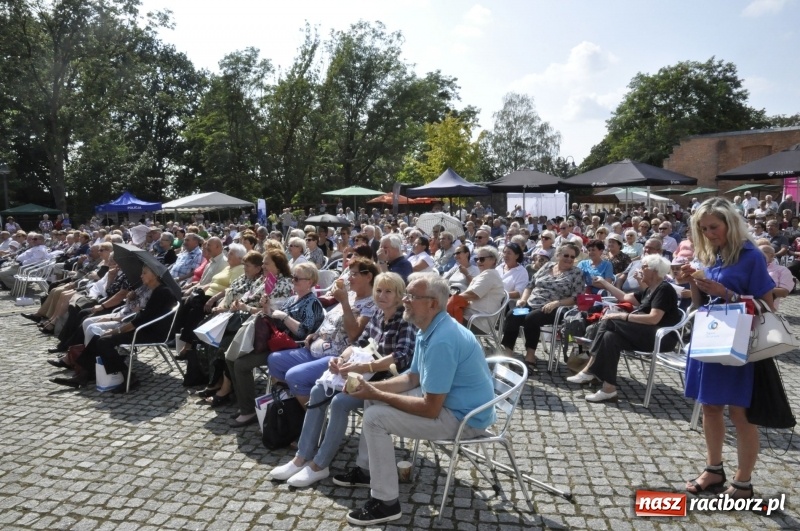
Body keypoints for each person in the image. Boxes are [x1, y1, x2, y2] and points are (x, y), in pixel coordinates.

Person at [334, 273, 496, 526]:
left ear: (432, 303)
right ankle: (367, 470)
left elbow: (430, 409)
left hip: (465, 419)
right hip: (451, 406)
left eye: (412, 296)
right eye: (407, 294)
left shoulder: (442, 339)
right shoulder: (430, 327)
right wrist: (370, 388)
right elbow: (412, 378)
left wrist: (375, 392)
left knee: (375, 417)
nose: (405, 300)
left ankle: (386, 503)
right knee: (372, 401)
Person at [269, 273, 416, 487]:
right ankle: (301, 457)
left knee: (339, 402)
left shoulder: (404, 320)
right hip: (360, 374)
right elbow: (361, 342)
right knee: (318, 391)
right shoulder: (377, 312)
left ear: (399, 294)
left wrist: (364, 366)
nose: (382, 296)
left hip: (384, 383)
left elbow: (401, 357)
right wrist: (341, 359)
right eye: (379, 291)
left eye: (388, 291)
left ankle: (320, 465)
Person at [682, 197, 775, 501]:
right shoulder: (712, 254)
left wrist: (727, 292)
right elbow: (701, 302)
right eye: (703, 228)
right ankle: (713, 469)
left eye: (714, 227)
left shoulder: (752, 256)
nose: (709, 233)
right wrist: (693, 281)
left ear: (730, 224)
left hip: (739, 340)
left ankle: (744, 481)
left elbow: (766, 306)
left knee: (740, 413)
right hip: (712, 335)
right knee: (709, 407)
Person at [567, 254, 682, 402]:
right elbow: (625, 298)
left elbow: (654, 318)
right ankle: (609, 389)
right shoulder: (650, 289)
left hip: (662, 338)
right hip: (645, 333)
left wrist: (622, 317)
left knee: (610, 321)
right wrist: (605, 283)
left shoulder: (664, 289)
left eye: (644, 266)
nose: (640, 269)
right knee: (610, 337)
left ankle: (589, 369)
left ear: (655, 270)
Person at [267, 258, 378, 405]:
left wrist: (344, 302)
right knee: (274, 360)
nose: (348, 278)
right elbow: (330, 320)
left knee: (294, 376)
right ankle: (291, 407)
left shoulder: (371, 304)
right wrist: (316, 334)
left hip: (335, 357)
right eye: (349, 273)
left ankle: (309, 418)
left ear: (368, 277)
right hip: (314, 349)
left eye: (353, 274)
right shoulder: (350, 295)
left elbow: (354, 335)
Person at [50, 264, 178, 390]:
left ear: (155, 275)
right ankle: (83, 376)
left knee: (104, 341)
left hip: (151, 332)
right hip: (144, 328)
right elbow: (142, 316)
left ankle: (128, 376)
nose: (141, 275)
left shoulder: (162, 292)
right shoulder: (155, 290)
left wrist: (117, 331)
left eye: (145, 273)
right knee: (97, 338)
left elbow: (141, 320)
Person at [227, 263, 325, 426]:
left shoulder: (312, 303)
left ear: (310, 282)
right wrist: (266, 308)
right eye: (293, 277)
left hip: (292, 347)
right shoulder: (293, 299)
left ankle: (248, 410)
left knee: (241, 364)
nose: (293, 281)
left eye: (297, 278)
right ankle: (246, 405)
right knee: (232, 357)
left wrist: (285, 317)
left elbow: (304, 333)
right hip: (275, 342)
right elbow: (274, 318)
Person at [501, 243, 584, 372]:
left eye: (572, 257)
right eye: (566, 255)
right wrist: (523, 300)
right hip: (532, 303)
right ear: (558, 255)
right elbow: (530, 285)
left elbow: (576, 298)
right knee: (513, 314)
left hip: (556, 308)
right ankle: (507, 354)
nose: (569, 259)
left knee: (532, 318)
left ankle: (530, 355)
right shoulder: (547, 266)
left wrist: (557, 303)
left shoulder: (576, 272)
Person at [459, 246, 505, 333]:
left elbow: (473, 294)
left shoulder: (490, 274)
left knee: (441, 319)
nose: (479, 262)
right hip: (472, 316)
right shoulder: (486, 274)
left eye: (482, 259)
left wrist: (452, 298)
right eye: (477, 259)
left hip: (478, 321)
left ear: (493, 260)